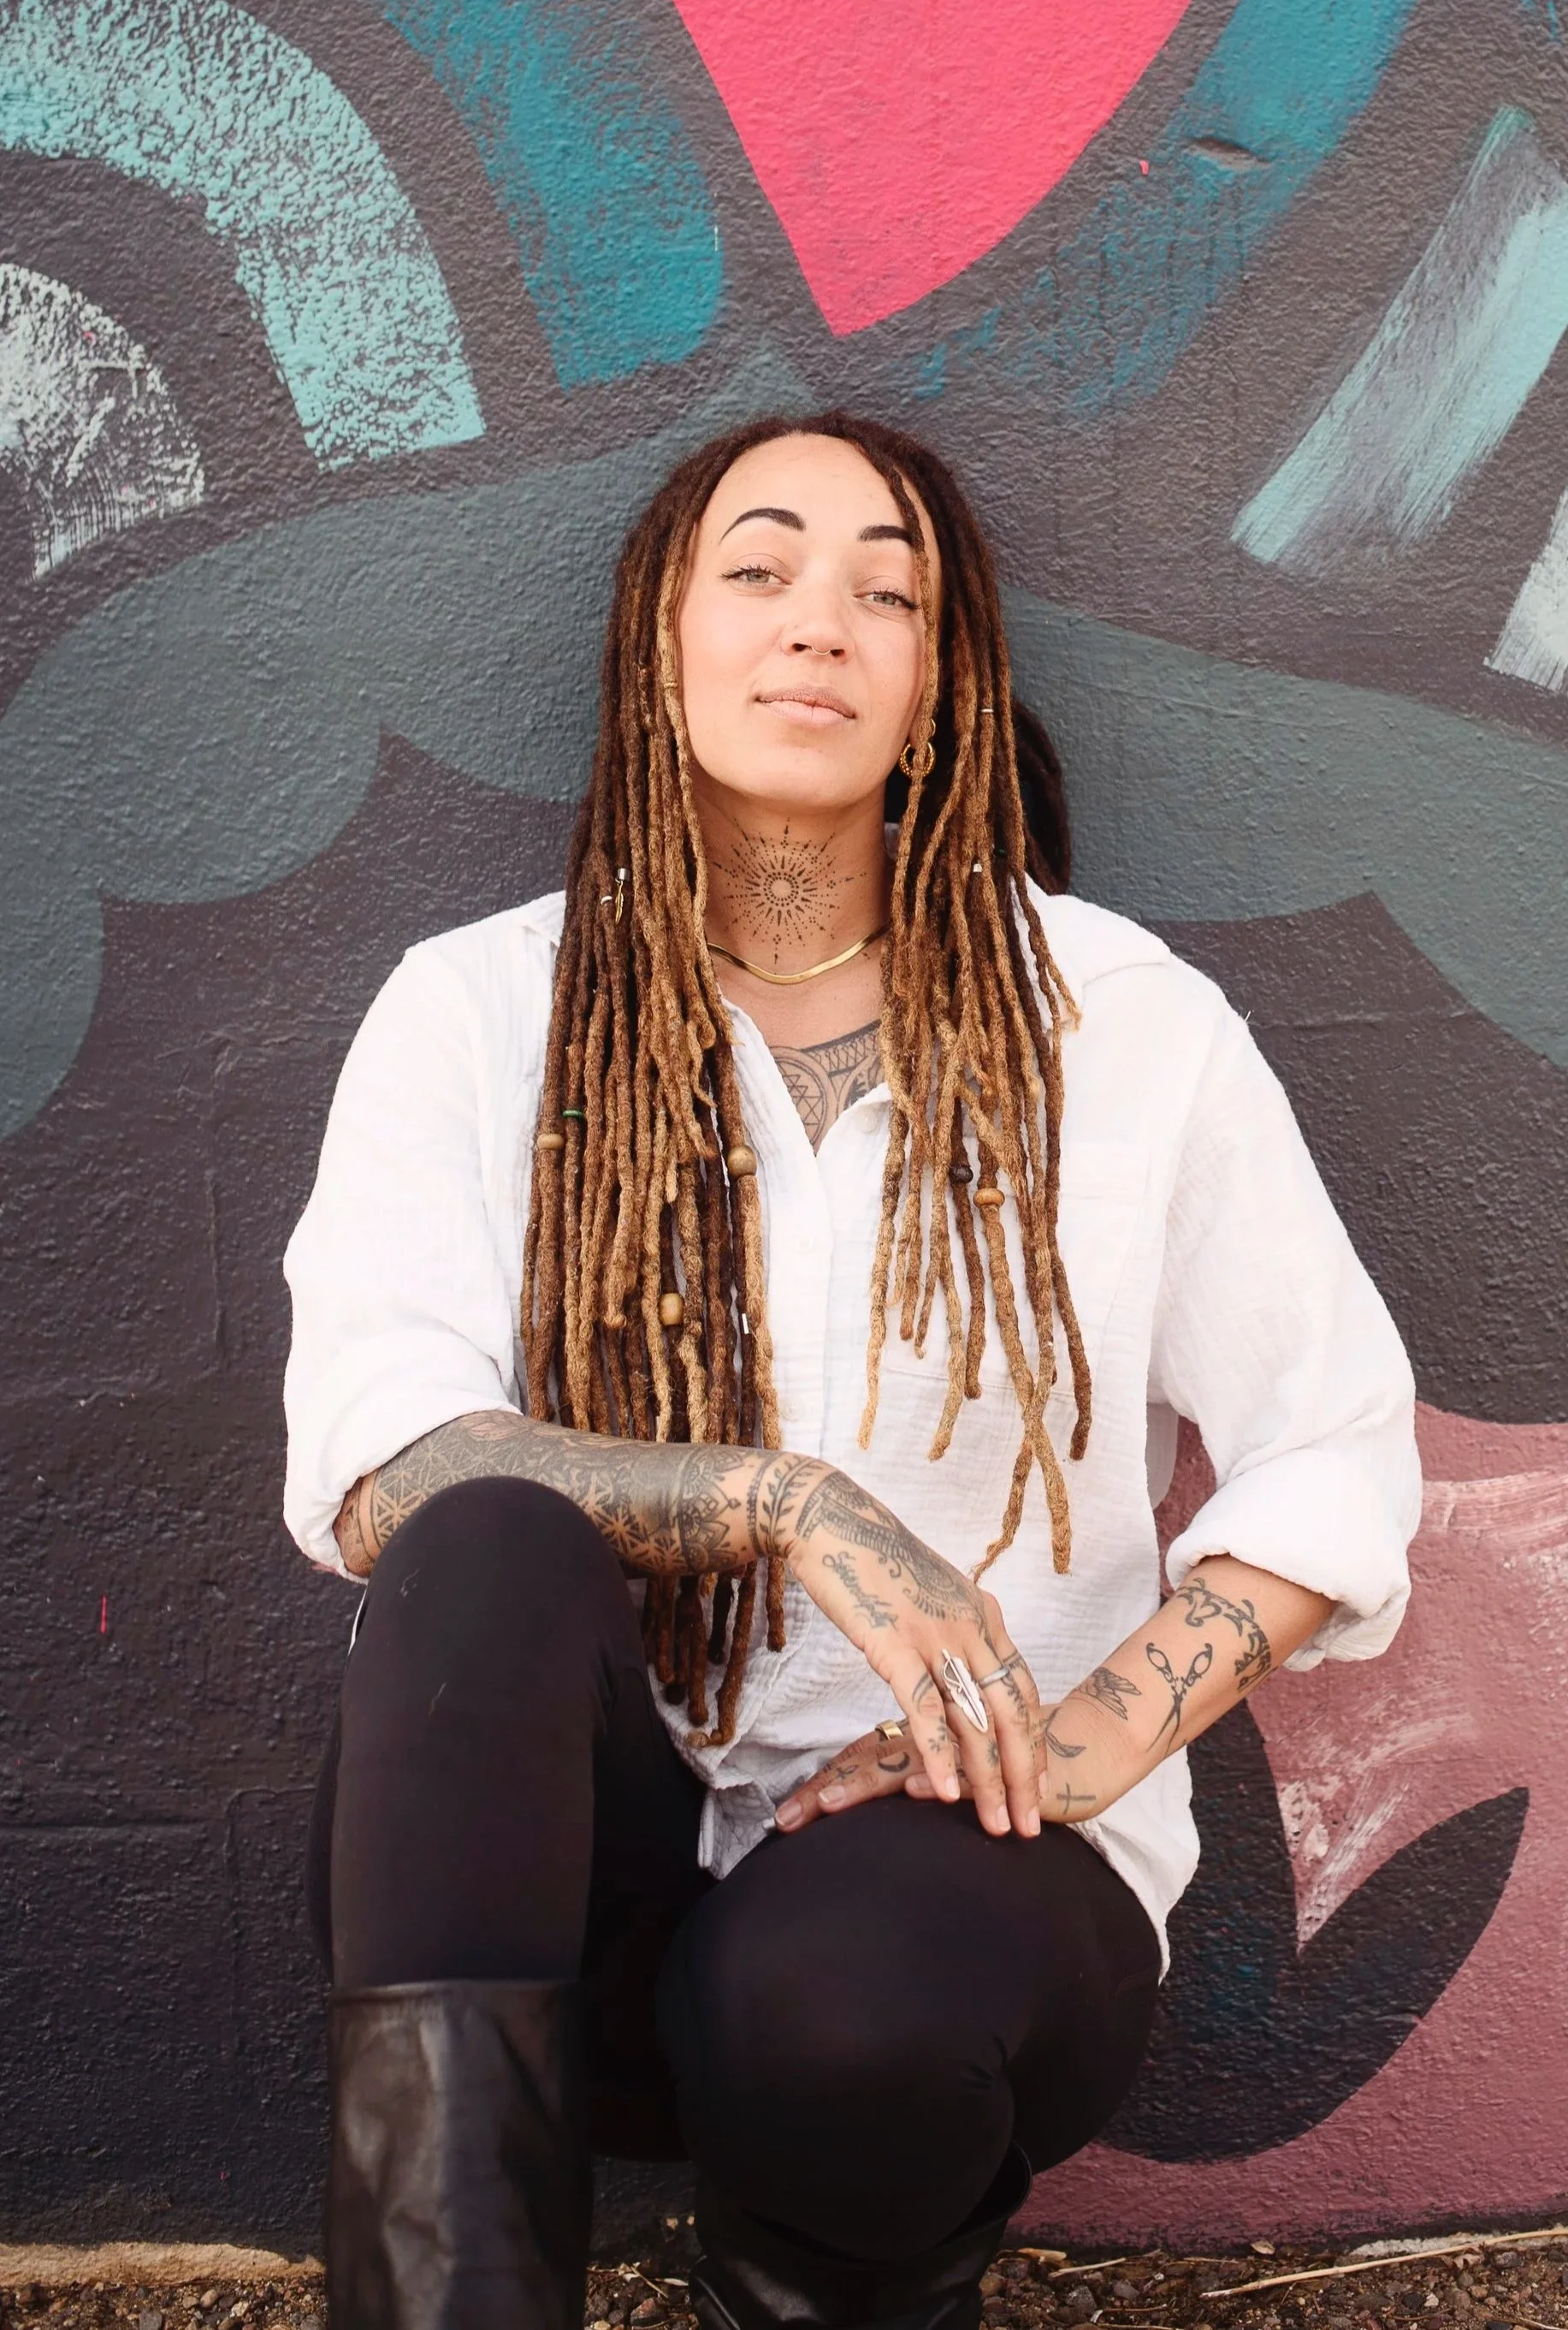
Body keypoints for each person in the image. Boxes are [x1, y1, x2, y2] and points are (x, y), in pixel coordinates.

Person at [282, 413, 1421, 2330]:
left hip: (956, 1902)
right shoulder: (477, 1009)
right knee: (480, 1550)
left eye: (884, 589)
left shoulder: (1120, 1026)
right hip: (570, 1905)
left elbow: (1332, 1452)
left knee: (836, 2006)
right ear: (659, 642)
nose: (821, 621)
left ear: (938, 679)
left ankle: (826, 2285)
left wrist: (1085, 1742)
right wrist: (781, 1505)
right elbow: (376, 1469)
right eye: (759, 568)